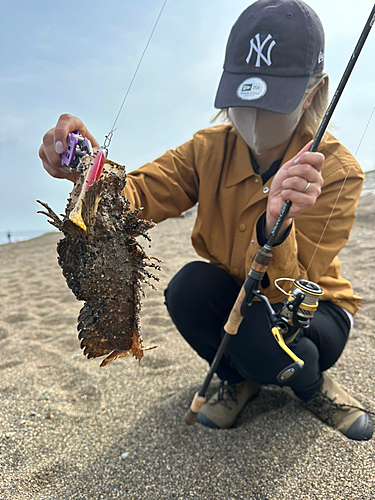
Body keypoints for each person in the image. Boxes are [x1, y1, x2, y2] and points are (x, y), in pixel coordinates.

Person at [39, 0, 373, 440]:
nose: (254, 114)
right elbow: (140, 194)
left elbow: (292, 285)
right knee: (188, 290)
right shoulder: (207, 148)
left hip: (313, 311)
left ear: (312, 92)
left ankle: (314, 387)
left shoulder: (338, 170)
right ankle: (241, 382)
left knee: (255, 327)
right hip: (236, 298)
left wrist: (277, 223)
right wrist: (89, 169)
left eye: (272, 97)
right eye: (243, 94)